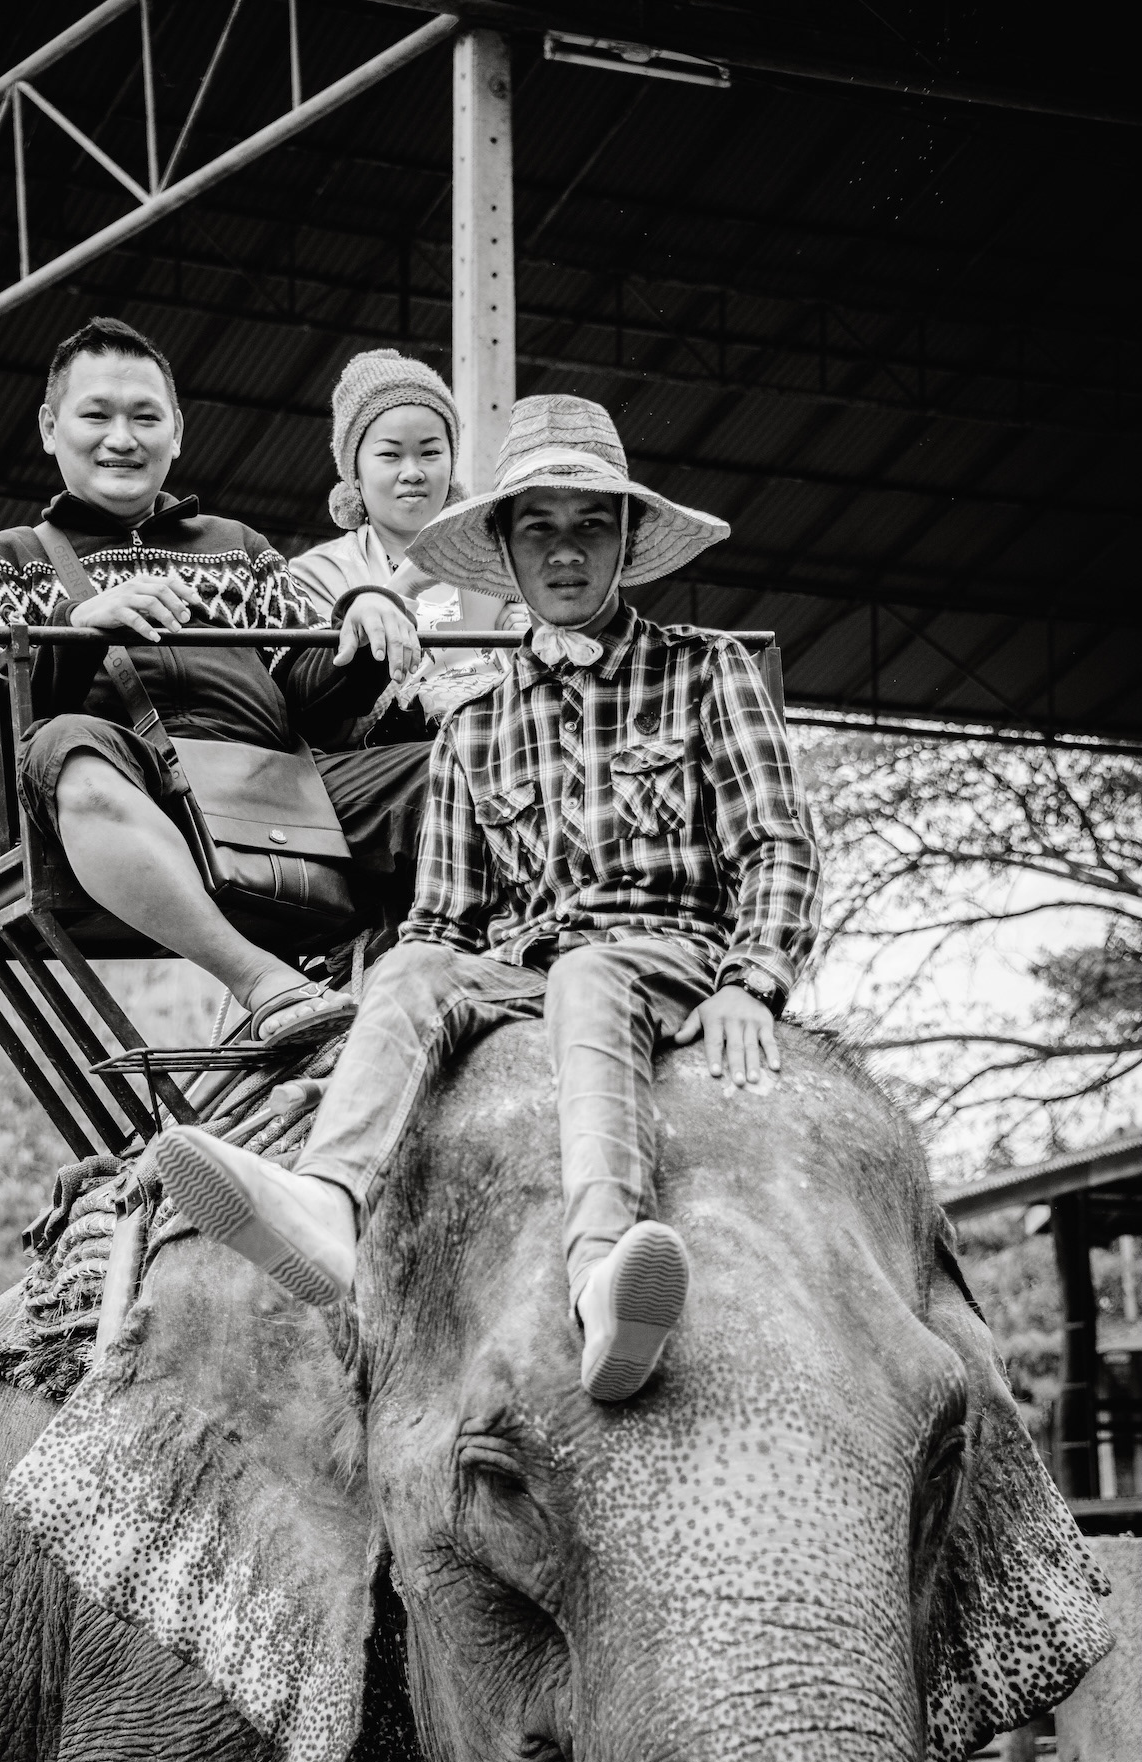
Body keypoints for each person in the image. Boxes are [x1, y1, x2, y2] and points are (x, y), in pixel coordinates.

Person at [155, 395, 823, 1402]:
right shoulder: (474, 724)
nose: (566, 553)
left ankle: (600, 1270)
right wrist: (403, 992)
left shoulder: (706, 670)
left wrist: (750, 981)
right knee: (413, 963)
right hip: (522, 968)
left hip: (664, 952)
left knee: (593, 970)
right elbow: (441, 917)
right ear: (504, 549)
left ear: (628, 539)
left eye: (590, 525)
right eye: (539, 529)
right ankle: (327, 1203)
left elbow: (775, 840)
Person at [0, 317, 428, 1050]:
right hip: (125, 785)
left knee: (454, 761)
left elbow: (309, 696)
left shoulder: (242, 551)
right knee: (67, 745)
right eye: (95, 415)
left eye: (145, 417)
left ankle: (503, 953)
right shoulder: (1, 563)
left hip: (276, 789)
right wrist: (78, 625)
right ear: (50, 428)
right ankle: (263, 983)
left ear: (178, 433)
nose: (122, 437)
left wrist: (359, 629)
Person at [290, 348, 525, 737]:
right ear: (355, 472)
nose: (412, 472)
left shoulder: (504, 566)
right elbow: (323, 714)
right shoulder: (314, 576)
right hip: (393, 767)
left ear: (451, 463)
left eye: (431, 452)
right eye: (390, 455)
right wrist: (401, 588)